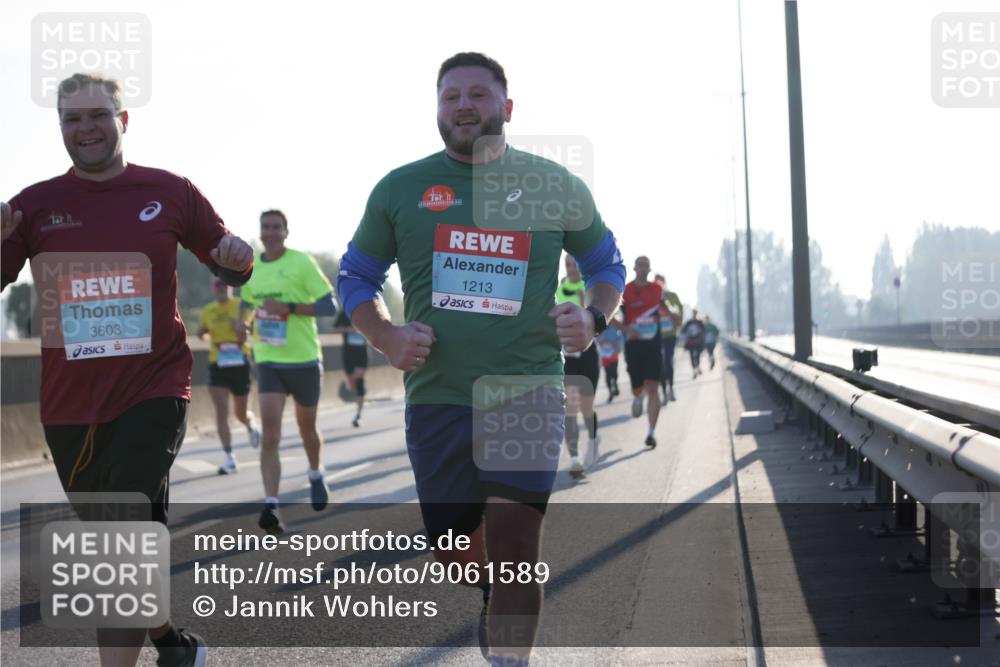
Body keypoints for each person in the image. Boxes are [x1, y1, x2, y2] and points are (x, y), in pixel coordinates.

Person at [336, 52, 625, 666]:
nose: (464, 106)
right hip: (438, 395)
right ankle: (492, 590)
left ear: (507, 108)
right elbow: (355, 276)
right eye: (450, 97)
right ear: (438, 110)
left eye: (478, 95)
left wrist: (592, 318)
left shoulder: (554, 185)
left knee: (518, 547)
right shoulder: (399, 188)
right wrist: (385, 337)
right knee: (452, 548)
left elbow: (606, 266)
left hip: (527, 388)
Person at [0, 73, 254, 667]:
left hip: (153, 389)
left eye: (97, 115)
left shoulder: (169, 191)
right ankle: (169, 638)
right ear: (59, 126)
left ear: (124, 119)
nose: (85, 127)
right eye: (71, 118)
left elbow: (223, 253)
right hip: (69, 405)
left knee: (121, 541)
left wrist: (236, 258)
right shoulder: (33, 205)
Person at [240, 209, 337, 534]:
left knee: (307, 430)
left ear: (286, 231)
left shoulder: (301, 262)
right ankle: (271, 505)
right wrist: (243, 324)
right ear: (260, 232)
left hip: (305, 359)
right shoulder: (251, 268)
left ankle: (315, 472)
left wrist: (290, 308)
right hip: (268, 359)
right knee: (271, 434)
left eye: (276, 227)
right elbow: (246, 302)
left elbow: (328, 306)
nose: (270, 232)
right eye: (265, 227)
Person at [197, 277, 261, 474]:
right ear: (213, 289)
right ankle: (229, 457)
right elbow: (202, 334)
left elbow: (253, 332)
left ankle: (250, 424)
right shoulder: (208, 310)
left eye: (225, 285)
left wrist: (240, 329)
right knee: (221, 411)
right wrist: (202, 333)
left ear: (231, 288)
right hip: (218, 362)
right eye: (218, 285)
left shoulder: (242, 307)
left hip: (239, 360)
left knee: (240, 413)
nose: (221, 288)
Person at [555, 255, 601, 478]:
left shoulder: (589, 285)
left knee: (586, 406)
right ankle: (574, 459)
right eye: (568, 265)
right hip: (569, 355)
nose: (572, 269)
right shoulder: (560, 288)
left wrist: (584, 300)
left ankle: (593, 440)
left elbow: (595, 318)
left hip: (589, 353)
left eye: (575, 265)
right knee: (570, 408)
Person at [614, 256, 663, 448]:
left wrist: (675, 317)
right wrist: (628, 330)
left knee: (653, 387)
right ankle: (637, 396)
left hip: (653, 344)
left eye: (646, 266)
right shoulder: (626, 290)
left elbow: (665, 310)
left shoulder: (657, 290)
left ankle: (651, 432)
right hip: (633, 345)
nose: (643, 269)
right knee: (638, 385)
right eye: (640, 265)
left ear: (650, 269)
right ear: (634, 268)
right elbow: (610, 317)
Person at [333, 306, 368, 428]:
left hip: (361, 353)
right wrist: (349, 329)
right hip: (348, 353)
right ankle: (356, 394)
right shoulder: (344, 313)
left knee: (359, 383)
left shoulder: (367, 310)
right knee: (353, 384)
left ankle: (358, 415)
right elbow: (334, 330)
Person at [654, 273, 683, 404]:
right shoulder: (651, 298)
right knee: (659, 364)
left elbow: (679, 317)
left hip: (670, 335)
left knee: (668, 361)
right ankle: (664, 391)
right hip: (656, 335)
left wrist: (668, 309)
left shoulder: (672, 296)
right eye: (656, 283)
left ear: (664, 283)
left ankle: (671, 388)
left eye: (661, 283)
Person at [597, 326, 623, 404]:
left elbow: (620, 338)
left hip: (614, 353)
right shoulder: (599, 328)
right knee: (608, 373)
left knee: (614, 372)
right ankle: (610, 393)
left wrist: (614, 344)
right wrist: (601, 341)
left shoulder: (614, 327)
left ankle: (615, 384)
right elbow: (597, 340)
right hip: (604, 354)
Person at [681, 308, 707, 378]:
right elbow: (684, 331)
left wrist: (703, 340)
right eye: (693, 313)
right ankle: (695, 370)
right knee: (692, 357)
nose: (694, 314)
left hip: (698, 341)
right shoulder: (689, 322)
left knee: (697, 356)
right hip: (691, 342)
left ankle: (697, 367)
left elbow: (703, 332)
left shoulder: (700, 322)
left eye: (695, 313)